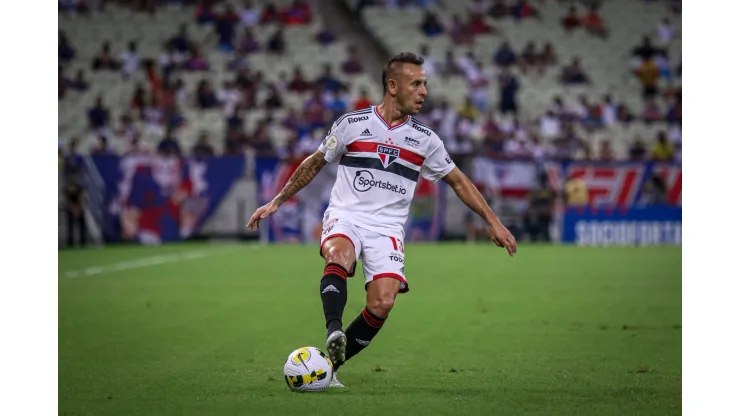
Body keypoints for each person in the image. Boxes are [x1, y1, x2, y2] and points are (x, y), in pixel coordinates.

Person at [246, 52, 517, 387]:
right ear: (392, 86)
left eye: (425, 84)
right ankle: (334, 330)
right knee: (339, 255)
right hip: (347, 213)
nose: (424, 91)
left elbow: (458, 181)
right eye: (416, 83)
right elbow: (315, 162)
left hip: (387, 228)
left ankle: (328, 366)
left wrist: (493, 220)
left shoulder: (426, 140)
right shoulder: (352, 124)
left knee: (383, 302)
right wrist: (277, 200)